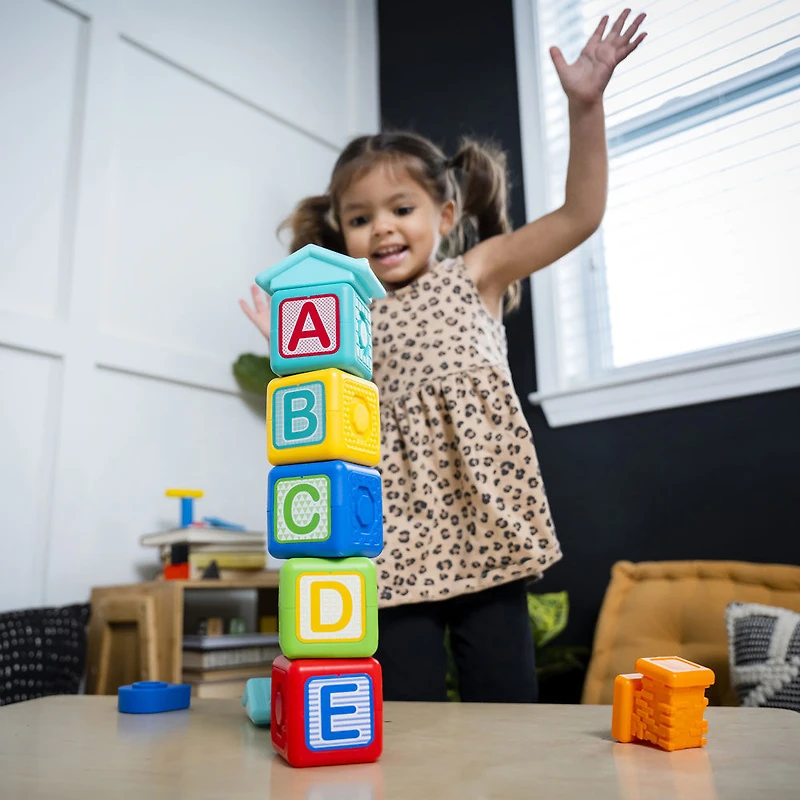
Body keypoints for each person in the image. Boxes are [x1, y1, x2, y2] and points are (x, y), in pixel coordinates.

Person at [241, 10, 647, 702]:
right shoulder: (349, 311)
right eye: (360, 218)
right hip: (388, 531)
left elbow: (580, 215)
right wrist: (286, 343)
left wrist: (586, 107)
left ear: (446, 216)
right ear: (342, 233)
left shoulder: (475, 273)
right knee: (406, 708)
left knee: (505, 701)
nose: (382, 228)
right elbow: (326, 409)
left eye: (401, 209)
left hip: (481, 514)